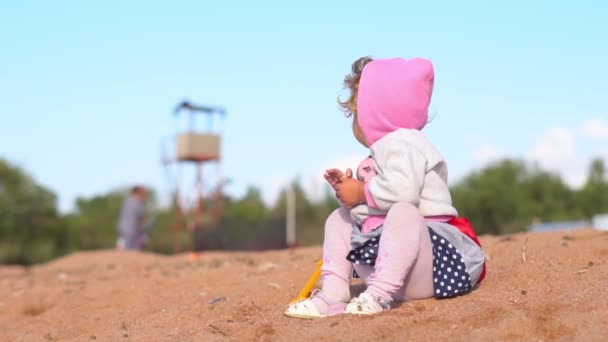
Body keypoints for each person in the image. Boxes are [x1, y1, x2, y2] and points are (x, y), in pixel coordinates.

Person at [285, 57, 486, 318]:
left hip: (431, 263)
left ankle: (378, 293)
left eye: (357, 113)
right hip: (396, 266)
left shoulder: (402, 142)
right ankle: (334, 293)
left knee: (404, 211)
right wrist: (353, 197)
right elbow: (380, 201)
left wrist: (360, 192)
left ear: (374, 111)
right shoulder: (382, 153)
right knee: (340, 218)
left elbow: (403, 193)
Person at [116, 186, 153, 251]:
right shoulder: (136, 202)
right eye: (143, 193)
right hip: (131, 230)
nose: (144, 195)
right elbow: (142, 217)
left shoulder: (127, 201)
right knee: (130, 249)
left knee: (123, 245)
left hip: (123, 228)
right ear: (137, 193)